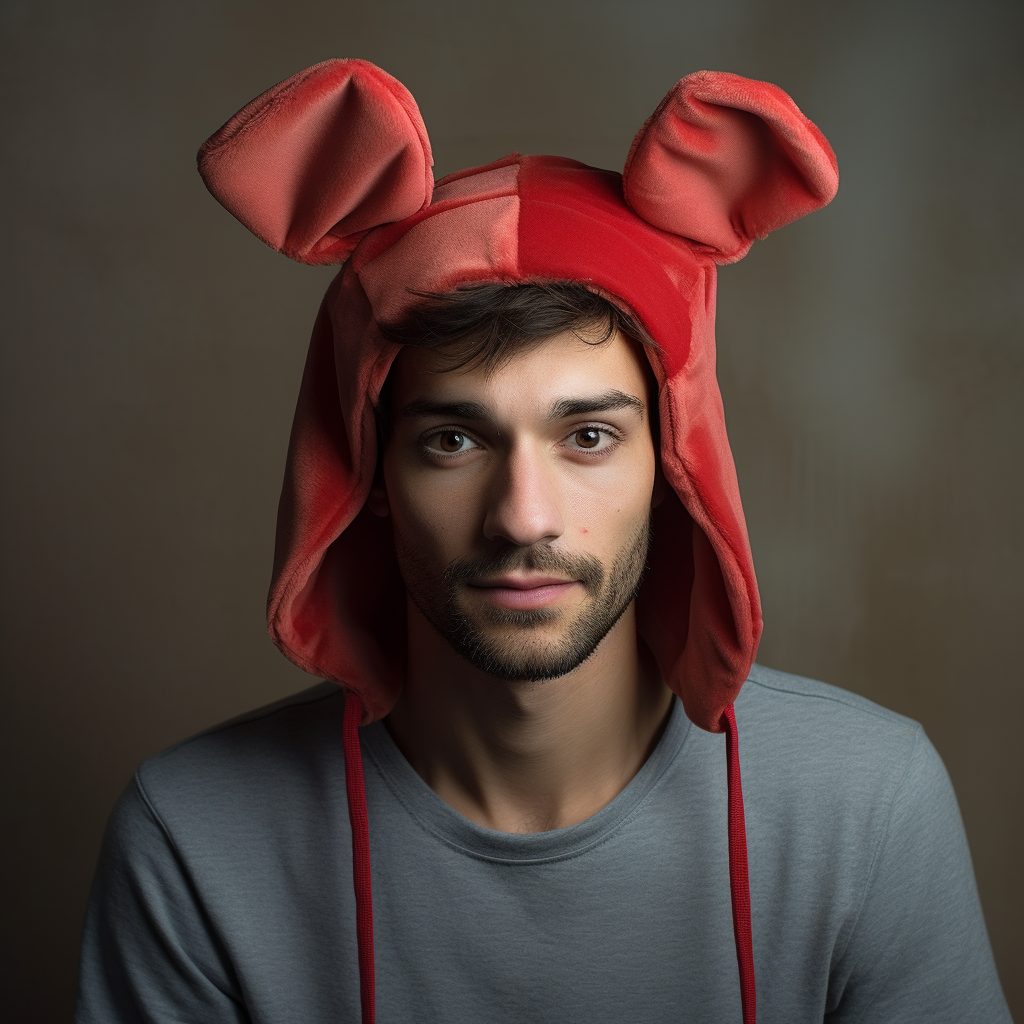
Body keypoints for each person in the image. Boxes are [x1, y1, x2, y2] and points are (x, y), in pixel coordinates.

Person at [75, 60, 1011, 1024]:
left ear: (675, 466)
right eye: (454, 440)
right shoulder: (192, 837)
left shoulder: (866, 804)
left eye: (589, 437)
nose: (523, 516)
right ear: (372, 477)